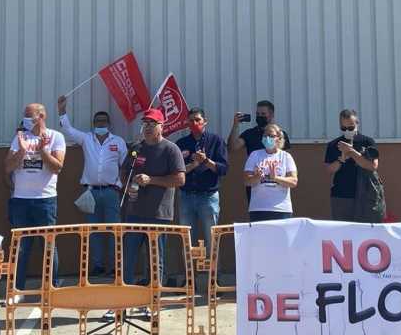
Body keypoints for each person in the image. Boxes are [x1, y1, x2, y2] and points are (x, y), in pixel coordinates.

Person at [57, 94, 127, 276]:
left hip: (112, 192)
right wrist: (62, 110)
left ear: (109, 124)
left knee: (113, 231)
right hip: (90, 193)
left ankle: (114, 267)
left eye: (104, 121)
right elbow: (68, 130)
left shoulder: (118, 142)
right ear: (93, 123)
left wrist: (120, 185)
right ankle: (96, 266)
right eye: (98, 121)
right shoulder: (86, 139)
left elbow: (126, 166)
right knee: (92, 231)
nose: (101, 124)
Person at [121, 108, 186, 295]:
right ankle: (125, 297)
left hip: (159, 214)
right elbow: (124, 172)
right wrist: (130, 184)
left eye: (152, 124)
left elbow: (180, 179)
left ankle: (152, 298)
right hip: (134, 212)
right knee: (128, 256)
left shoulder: (170, 149)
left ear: (162, 126)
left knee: (154, 258)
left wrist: (152, 180)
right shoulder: (136, 149)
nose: (148, 127)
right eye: (145, 124)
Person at [5, 103, 66, 290]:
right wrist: (22, 151)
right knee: (21, 247)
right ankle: (17, 288)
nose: (25, 120)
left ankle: (52, 286)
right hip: (20, 200)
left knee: (48, 246)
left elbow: (57, 167)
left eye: (29, 117)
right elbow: (7, 168)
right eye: (24, 116)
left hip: (45, 200)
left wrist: (42, 151)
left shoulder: (56, 136)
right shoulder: (20, 137)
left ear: (41, 117)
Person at [175, 108, 229, 262]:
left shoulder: (216, 141)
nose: (194, 123)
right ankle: (189, 280)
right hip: (186, 197)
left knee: (211, 239)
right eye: (191, 120)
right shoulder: (181, 143)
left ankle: (213, 279)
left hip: (208, 197)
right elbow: (177, 172)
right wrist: (194, 164)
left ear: (205, 121)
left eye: (198, 120)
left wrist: (206, 161)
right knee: (187, 240)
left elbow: (223, 169)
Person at [229, 100, 291, 204]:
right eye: (257, 114)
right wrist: (235, 125)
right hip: (255, 183)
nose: (259, 116)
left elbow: (286, 160)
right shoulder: (250, 133)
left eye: (263, 114)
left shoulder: (280, 135)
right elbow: (232, 147)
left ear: (271, 115)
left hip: (277, 187)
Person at [323, 109, 379, 222]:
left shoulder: (368, 142)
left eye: (350, 127)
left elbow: (373, 166)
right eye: (343, 128)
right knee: (342, 234)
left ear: (357, 124)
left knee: (365, 233)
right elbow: (328, 170)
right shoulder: (334, 145)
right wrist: (341, 159)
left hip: (366, 196)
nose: (347, 130)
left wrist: (352, 152)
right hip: (341, 196)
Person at [243, 123, 298, 222]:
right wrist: (257, 177)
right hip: (259, 209)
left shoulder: (286, 156)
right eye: (265, 135)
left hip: (281, 209)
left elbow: (293, 181)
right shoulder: (255, 155)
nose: (267, 138)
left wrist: (276, 178)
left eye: (271, 136)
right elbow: (246, 181)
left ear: (279, 138)